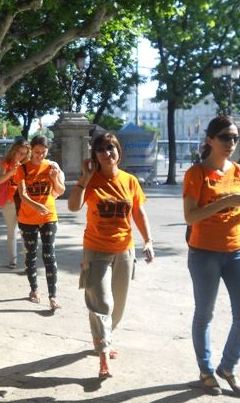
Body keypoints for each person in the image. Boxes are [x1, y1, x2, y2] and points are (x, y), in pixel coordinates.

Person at [67, 132, 154, 379]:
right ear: (94, 156)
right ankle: (104, 352)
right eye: (102, 149)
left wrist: (148, 240)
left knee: (119, 304)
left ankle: (104, 336)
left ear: (118, 152)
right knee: (102, 301)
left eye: (111, 148)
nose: (107, 153)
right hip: (96, 249)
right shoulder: (91, 180)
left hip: (124, 250)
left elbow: (138, 212)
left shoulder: (129, 181)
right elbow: (73, 206)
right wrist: (84, 179)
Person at [183, 116, 240, 397]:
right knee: (204, 314)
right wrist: (226, 202)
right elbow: (190, 216)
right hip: (204, 252)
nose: (231, 143)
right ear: (210, 140)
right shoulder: (196, 174)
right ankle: (205, 371)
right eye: (225, 137)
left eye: (235, 138)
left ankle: (227, 367)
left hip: (237, 250)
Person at [15, 136, 66, 311]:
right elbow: (22, 195)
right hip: (27, 218)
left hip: (48, 217)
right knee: (31, 255)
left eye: (43, 152)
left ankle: (53, 296)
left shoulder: (52, 167)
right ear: (31, 151)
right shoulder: (22, 168)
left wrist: (54, 178)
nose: (39, 155)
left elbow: (60, 190)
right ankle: (34, 289)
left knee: (49, 255)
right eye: (36, 152)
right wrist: (37, 206)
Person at [0, 138, 30, 268]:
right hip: (9, 201)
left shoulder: (27, 165)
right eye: (20, 152)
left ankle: (28, 260)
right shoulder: (6, 162)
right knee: (11, 232)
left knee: (25, 232)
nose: (22, 155)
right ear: (14, 151)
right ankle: (12, 260)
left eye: (25, 153)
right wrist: (12, 171)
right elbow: (0, 180)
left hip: (24, 202)